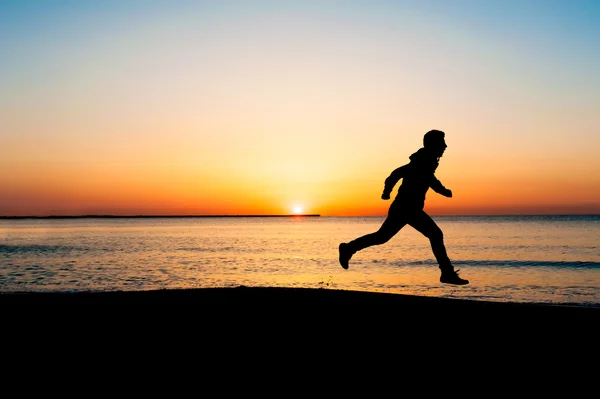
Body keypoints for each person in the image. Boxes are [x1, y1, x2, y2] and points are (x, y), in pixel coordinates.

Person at [338, 129, 469, 285]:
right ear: (433, 145)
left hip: (406, 208)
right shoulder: (420, 162)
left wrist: (443, 190)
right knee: (435, 235)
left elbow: (429, 179)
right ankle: (447, 273)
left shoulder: (425, 162)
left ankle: (348, 248)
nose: (445, 146)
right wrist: (387, 191)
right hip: (407, 208)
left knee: (382, 237)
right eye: (442, 143)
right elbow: (396, 174)